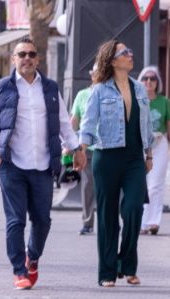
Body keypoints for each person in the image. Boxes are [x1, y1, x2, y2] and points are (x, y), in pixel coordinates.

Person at [0, 38, 85, 290]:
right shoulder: (1, 88)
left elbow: (63, 123)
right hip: (11, 165)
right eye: (22, 54)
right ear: (13, 59)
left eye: (31, 54)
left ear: (38, 59)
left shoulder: (50, 88)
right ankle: (19, 270)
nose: (27, 58)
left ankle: (33, 257)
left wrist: (76, 148)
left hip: (43, 165)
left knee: (42, 220)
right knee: (15, 220)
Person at [78, 40, 153, 288]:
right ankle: (108, 272)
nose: (130, 55)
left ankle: (127, 263)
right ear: (112, 60)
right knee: (107, 216)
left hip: (134, 159)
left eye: (130, 51)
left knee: (134, 209)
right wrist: (81, 151)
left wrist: (149, 155)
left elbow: (147, 125)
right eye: (124, 52)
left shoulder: (139, 88)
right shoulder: (99, 91)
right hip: (106, 157)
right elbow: (88, 124)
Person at [137, 66, 170, 235]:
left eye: (152, 78)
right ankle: (140, 222)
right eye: (145, 78)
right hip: (139, 145)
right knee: (140, 185)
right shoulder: (135, 100)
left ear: (157, 82)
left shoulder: (164, 102)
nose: (149, 81)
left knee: (155, 185)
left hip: (159, 145)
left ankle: (153, 222)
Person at [71, 67, 98, 235]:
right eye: (96, 73)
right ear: (92, 75)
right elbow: (74, 119)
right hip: (87, 148)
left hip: (107, 148)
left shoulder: (112, 94)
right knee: (88, 185)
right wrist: (69, 143)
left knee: (108, 187)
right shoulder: (82, 95)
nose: (99, 75)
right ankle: (88, 222)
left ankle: (108, 222)